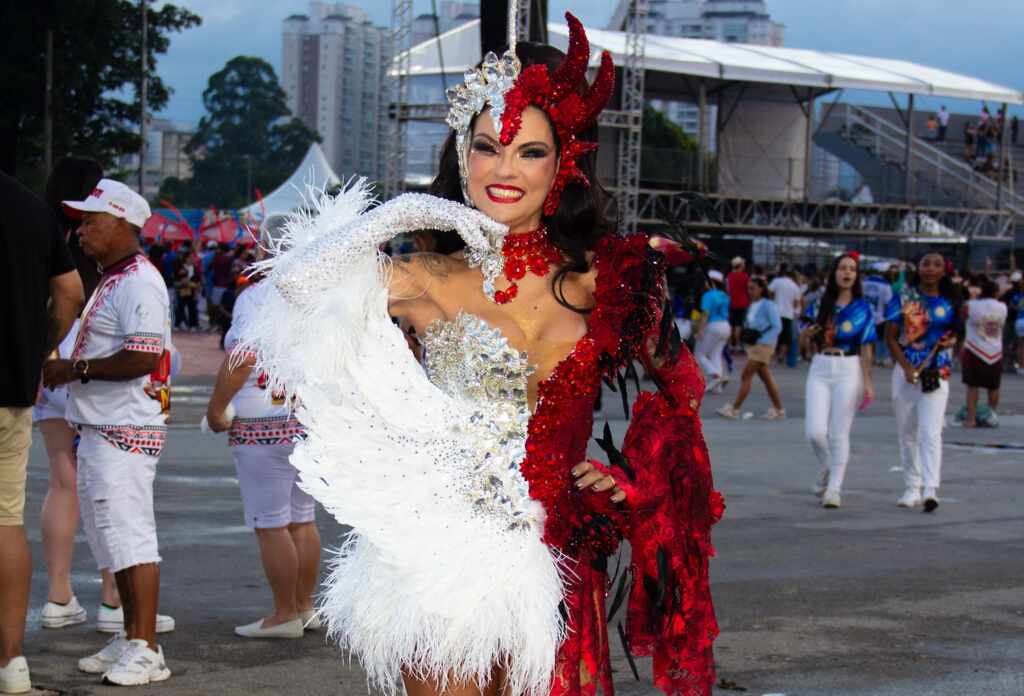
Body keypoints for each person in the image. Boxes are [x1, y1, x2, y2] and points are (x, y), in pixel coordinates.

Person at [232, 15, 722, 696]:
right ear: (463, 154)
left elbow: (686, 390)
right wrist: (397, 215)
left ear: (565, 161)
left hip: (563, 559)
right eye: (489, 147)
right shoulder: (424, 275)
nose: (505, 171)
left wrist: (631, 477)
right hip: (443, 552)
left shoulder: (616, 278)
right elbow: (292, 284)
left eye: (530, 152)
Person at [43, 179, 173, 686]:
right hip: (104, 427)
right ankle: (131, 634)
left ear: (123, 223)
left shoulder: (139, 281)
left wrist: (76, 370)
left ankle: (147, 648)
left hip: (124, 428)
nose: (80, 233)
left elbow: (143, 356)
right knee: (110, 538)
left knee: (131, 538)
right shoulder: (116, 278)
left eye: (91, 222)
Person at [205, 214, 321, 639]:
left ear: (265, 249)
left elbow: (241, 359)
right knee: (301, 519)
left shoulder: (257, 296)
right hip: (306, 417)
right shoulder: (317, 295)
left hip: (262, 415)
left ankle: (283, 613)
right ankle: (304, 606)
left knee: (271, 522)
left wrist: (217, 408)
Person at [0, 171, 83, 695]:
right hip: (11, 385)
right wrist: (35, 345)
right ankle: (11, 663)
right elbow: (70, 290)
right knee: (6, 519)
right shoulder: (30, 208)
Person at [799, 255, 876, 509]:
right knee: (815, 432)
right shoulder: (819, 304)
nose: (847, 273)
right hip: (820, 366)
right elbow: (802, 343)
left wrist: (867, 381)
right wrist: (806, 335)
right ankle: (827, 467)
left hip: (849, 367)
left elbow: (867, 348)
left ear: (856, 275)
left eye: (852, 269)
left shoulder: (864, 308)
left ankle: (834, 489)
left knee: (838, 433)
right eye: (842, 268)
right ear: (833, 273)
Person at [884, 252, 957, 513]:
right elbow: (891, 337)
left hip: (937, 372)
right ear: (919, 268)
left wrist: (951, 342)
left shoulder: (950, 302)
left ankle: (930, 488)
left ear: (943, 272)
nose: (930, 268)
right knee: (907, 432)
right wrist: (905, 367)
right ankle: (911, 486)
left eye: (937, 264)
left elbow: (955, 334)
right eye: (926, 263)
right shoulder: (904, 298)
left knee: (930, 432)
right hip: (906, 372)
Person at [717, 276, 785, 420]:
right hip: (754, 346)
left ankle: (735, 409)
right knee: (766, 379)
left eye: (753, 288)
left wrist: (763, 340)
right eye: (748, 288)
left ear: (761, 289)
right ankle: (779, 409)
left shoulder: (768, 305)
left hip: (764, 346)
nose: (750, 291)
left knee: (746, 375)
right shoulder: (752, 304)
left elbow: (777, 326)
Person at [960, 277, 1006, 427]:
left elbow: (963, 316)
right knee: (993, 387)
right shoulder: (1002, 307)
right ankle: (991, 415)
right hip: (995, 351)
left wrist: (972, 298)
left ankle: (971, 418)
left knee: (973, 386)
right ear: (996, 292)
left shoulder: (971, 305)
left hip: (975, 348)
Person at [694, 269, 732, 392]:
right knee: (716, 354)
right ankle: (718, 387)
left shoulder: (708, 295)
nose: (704, 283)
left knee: (699, 354)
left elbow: (705, 313)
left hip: (713, 326)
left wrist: (700, 330)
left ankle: (716, 375)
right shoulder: (725, 295)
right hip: (725, 326)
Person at [768, 264, 801, 367]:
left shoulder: (776, 282)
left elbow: (769, 292)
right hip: (788, 314)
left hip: (775, 312)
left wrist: (773, 300)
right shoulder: (795, 286)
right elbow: (796, 303)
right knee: (785, 337)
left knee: (774, 335)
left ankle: (770, 355)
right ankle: (781, 356)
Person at [862, 265, 894, 365]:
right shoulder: (885, 285)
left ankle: (870, 357)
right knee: (881, 338)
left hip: (865, 315)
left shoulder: (864, 282)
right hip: (880, 317)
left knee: (867, 338)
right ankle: (882, 358)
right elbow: (888, 302)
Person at [726, 256, 750, 349]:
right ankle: (736, 344)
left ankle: (730, 343)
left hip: (731, 302)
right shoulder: (745, 276)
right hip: (742, 302)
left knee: (731, 324)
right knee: (739, 324)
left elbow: (727, 289)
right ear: (740, 265)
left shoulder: (729, 276)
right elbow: (748, 289)